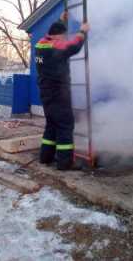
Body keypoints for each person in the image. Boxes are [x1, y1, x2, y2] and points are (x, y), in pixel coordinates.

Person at [35, 11, 90, 170]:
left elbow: (54, 34)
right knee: (65, 125)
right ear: (58, 36)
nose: (65, 38)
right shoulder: (56, 47)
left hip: (46, 93)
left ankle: (45, 157)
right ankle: (65, 163)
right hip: (58, 93)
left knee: (51, 125)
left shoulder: (40, 44)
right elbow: (73, 47)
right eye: (64, 35)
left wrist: (61, 21)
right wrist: (82, 31)